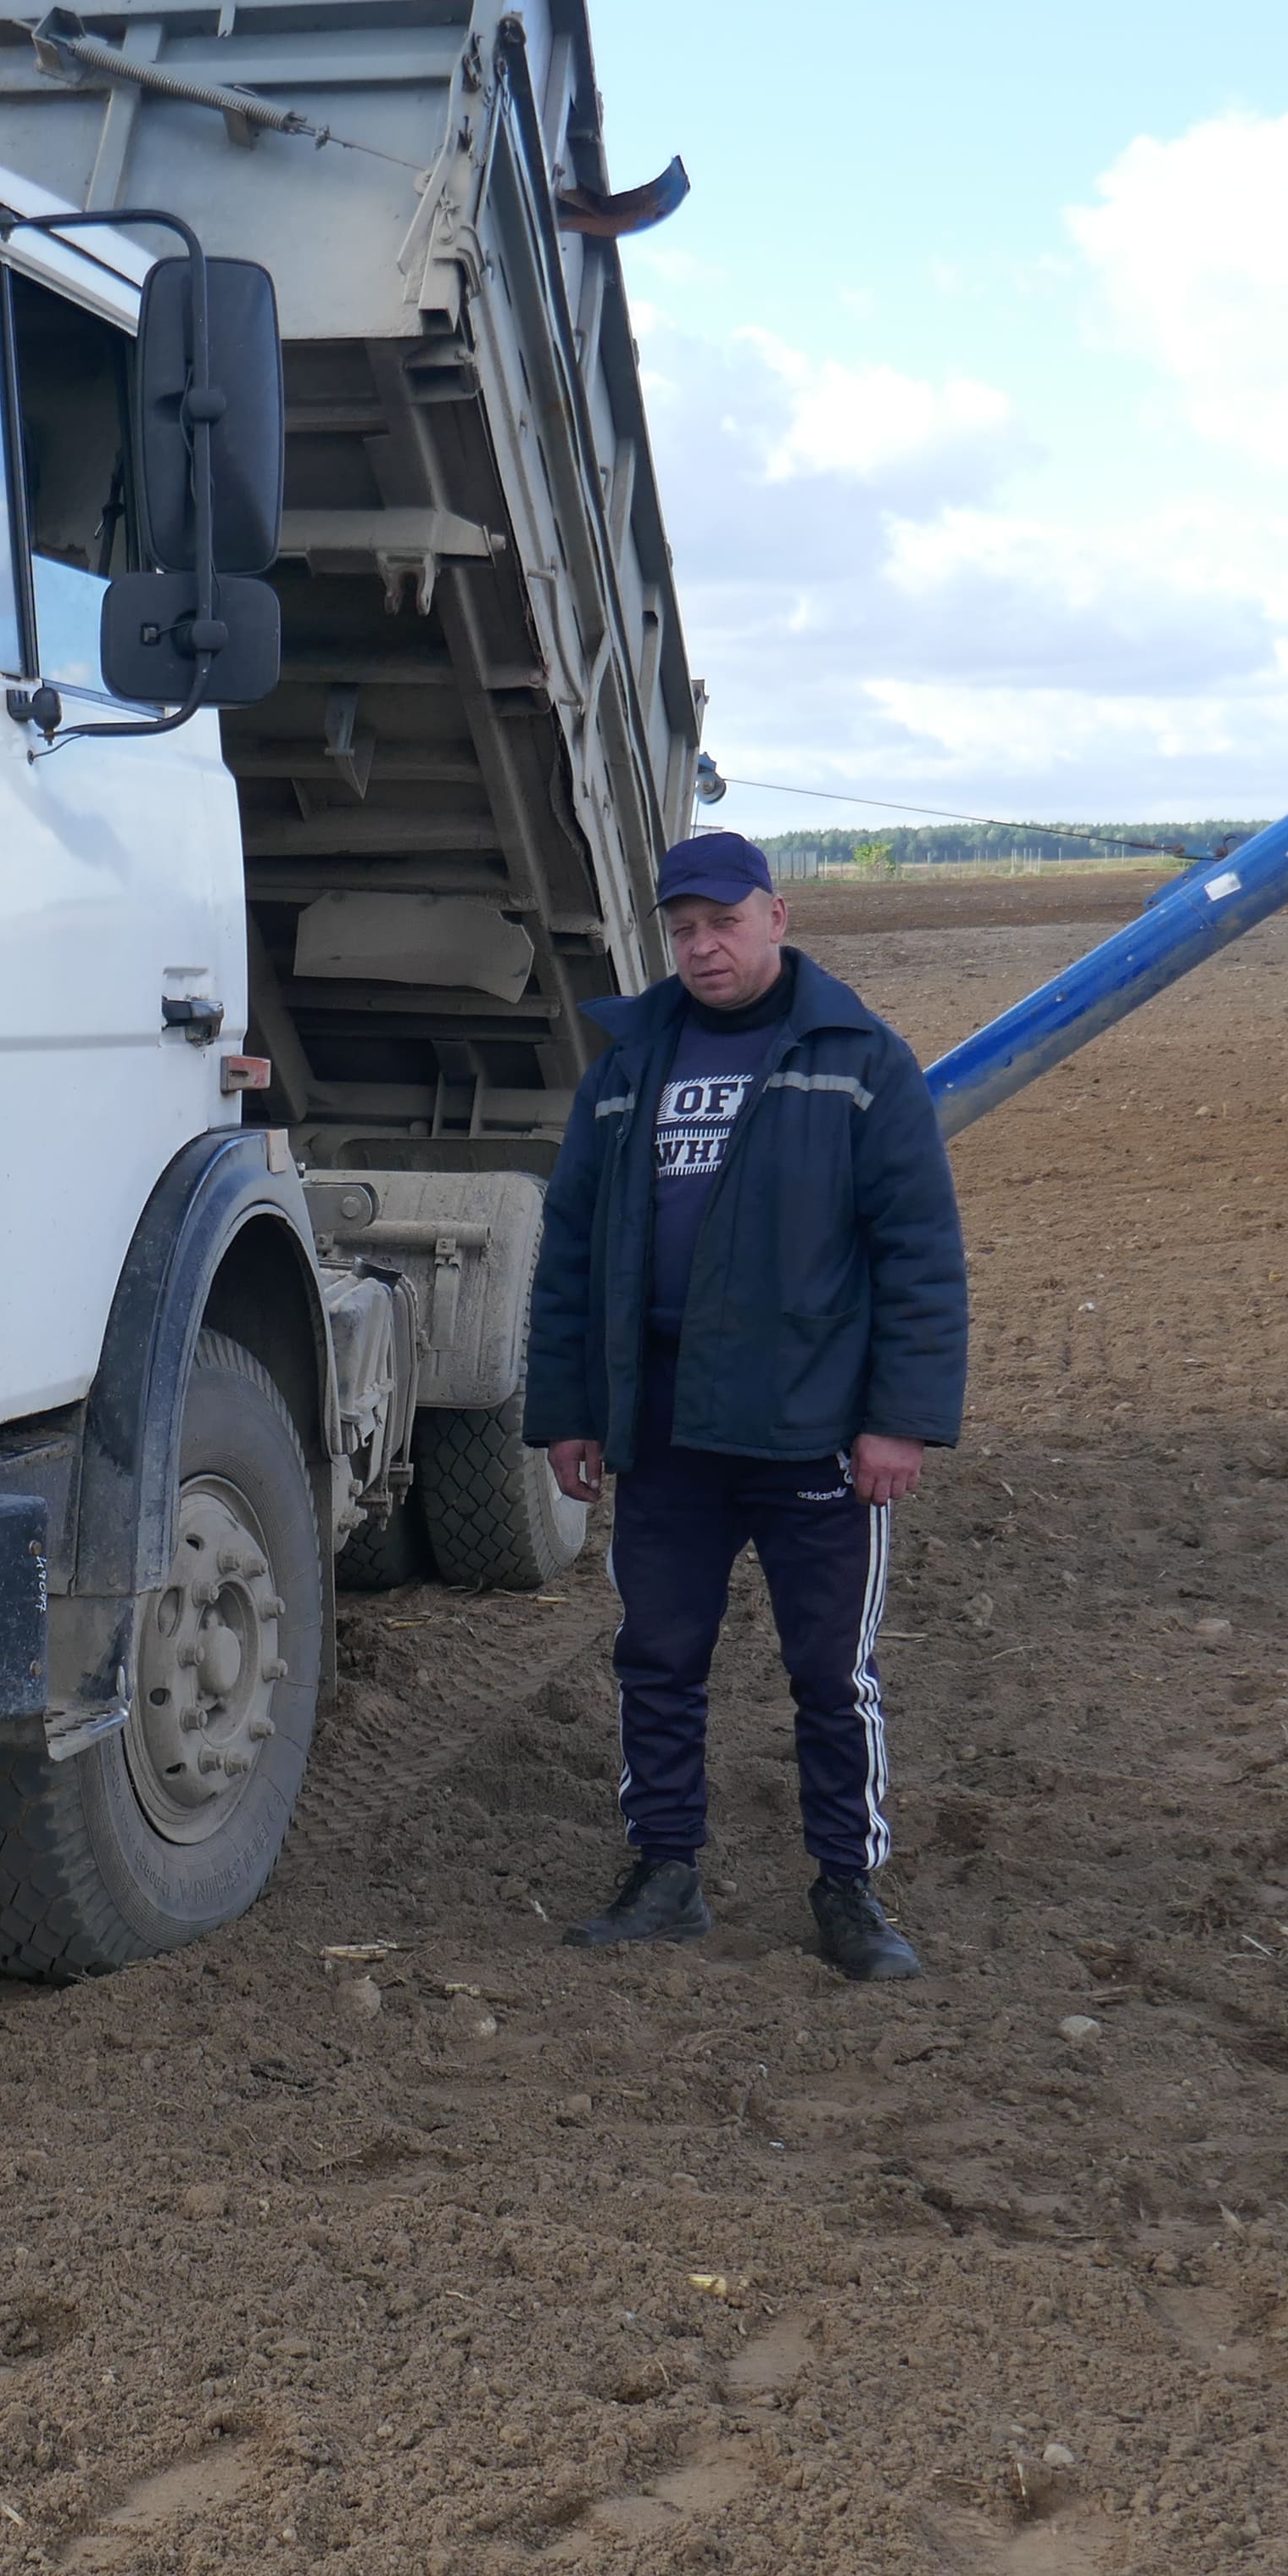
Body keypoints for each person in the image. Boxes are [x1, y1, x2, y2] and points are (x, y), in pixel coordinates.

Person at [521, 830, 969, 1981]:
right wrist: (570, 1410)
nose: (703, 948)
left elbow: (918, 1253)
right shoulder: (628, 1068)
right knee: (657, 1655)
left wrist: (899, 1419)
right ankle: (665, 1873)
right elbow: (570, 1252)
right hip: (665, 1423)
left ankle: (847, 1890)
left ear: (777, 917)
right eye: (683, 930)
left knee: (832, 1670)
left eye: (723, 923)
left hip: (811, 1421)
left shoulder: (861, 1058)